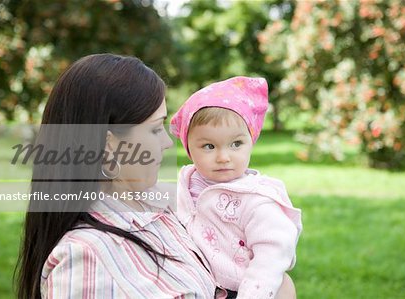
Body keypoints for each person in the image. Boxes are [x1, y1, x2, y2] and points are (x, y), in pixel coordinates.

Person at [16, 54, 297, 299]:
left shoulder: (160, 208)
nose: (167, 142)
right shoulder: (86, 258)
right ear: (109, 144)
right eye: (154, 129)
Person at [170, 76, 303, 299]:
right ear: (189, 149)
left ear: (251, 142)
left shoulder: (257, 198)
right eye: (209, 146)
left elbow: (272, 254)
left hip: (245, 289)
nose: (224, 157)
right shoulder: (184, 186)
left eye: (236, 144)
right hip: (199, 286)